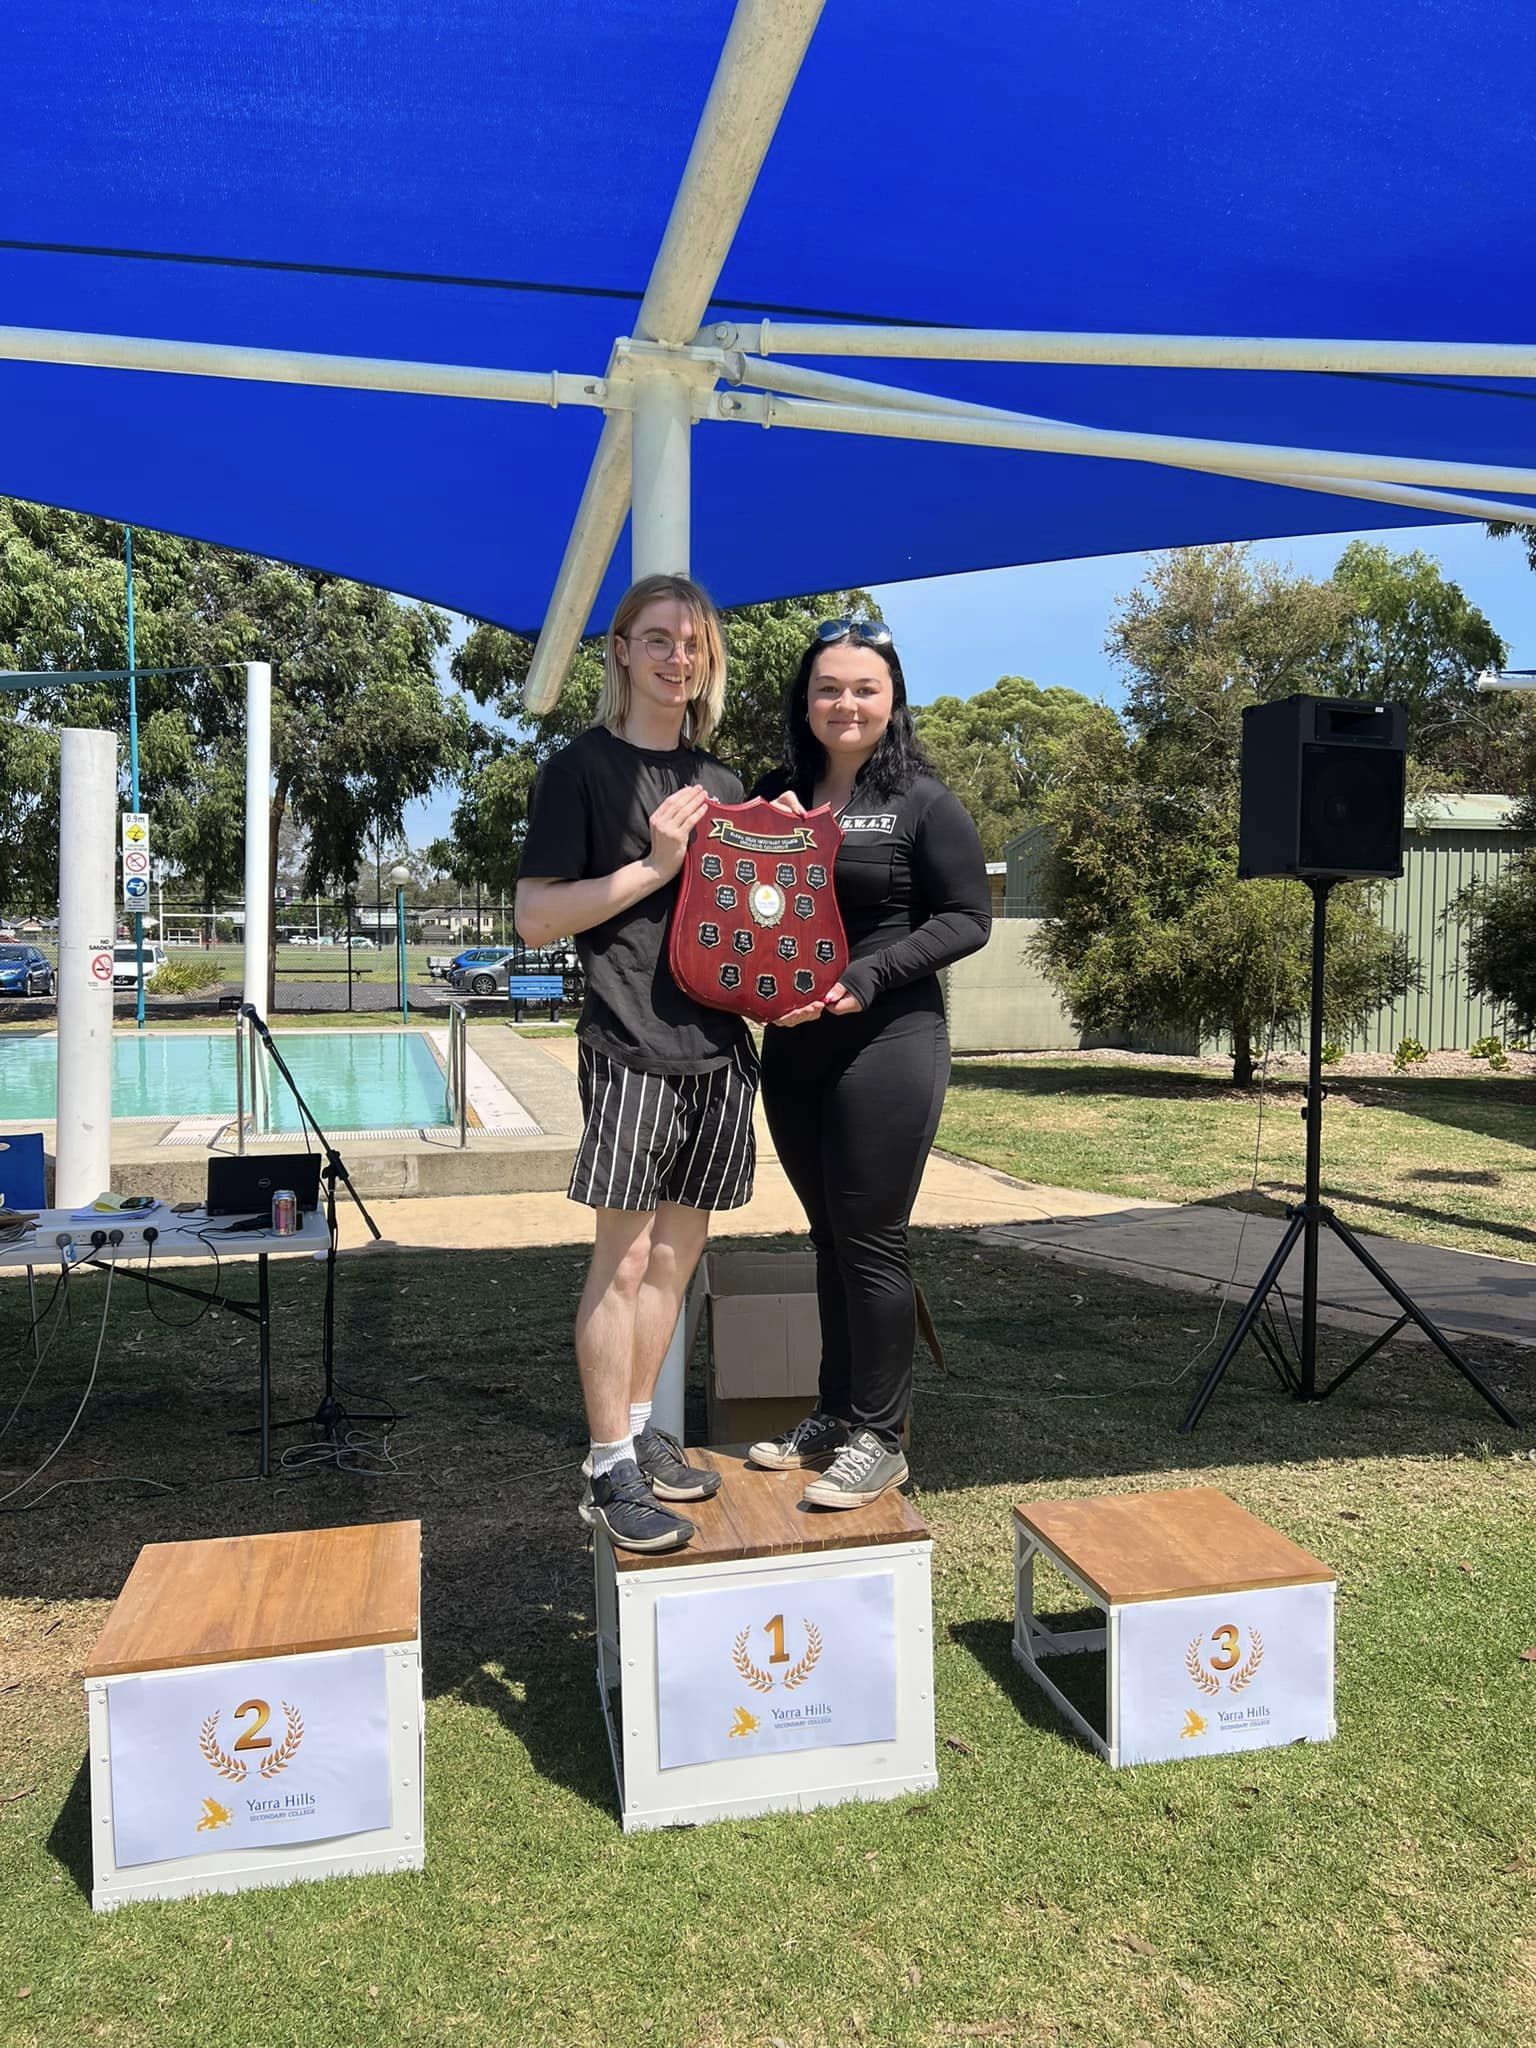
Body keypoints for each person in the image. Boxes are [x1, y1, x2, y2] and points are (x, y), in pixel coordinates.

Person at [515, 574, 759, 1554]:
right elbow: (537, 918)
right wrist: (656, 865)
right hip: (627, 1045)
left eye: (691, 641)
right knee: (621, 1261)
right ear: (619, 650)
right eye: (655, 638)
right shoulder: (579, 771)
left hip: (719, 1050)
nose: (675, 655)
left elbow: (747, 925)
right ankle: (605, 1461)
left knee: (677, 1257)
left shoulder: (728, 787)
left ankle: (644, 1433)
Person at [749, 618, 990, 1506]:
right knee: (826, 1239)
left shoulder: (924, 800)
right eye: (828, 688)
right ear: (804, 701)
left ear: (891, 702)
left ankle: (882, 1437)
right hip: (794, 1042)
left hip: (888, 1040)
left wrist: (869, 974)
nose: (844, 704)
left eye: (863, 689)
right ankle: (836, 1409)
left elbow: (968, 916)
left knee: (872, 1241)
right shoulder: (777, 792)